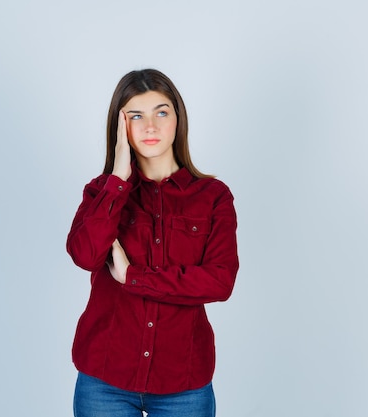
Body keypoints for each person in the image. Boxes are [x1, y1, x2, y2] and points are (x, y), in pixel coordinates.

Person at [66, 69, 239, 417]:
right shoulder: (102, 192)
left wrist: (134, 277)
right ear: (120, 127)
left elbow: (220, 281)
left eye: (162, 112)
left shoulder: (213, 197)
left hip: (183, 384)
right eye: (135, 116)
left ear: (178, 119)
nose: (150, 126)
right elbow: (85, 255)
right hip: (105, 381)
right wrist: (118, 180)